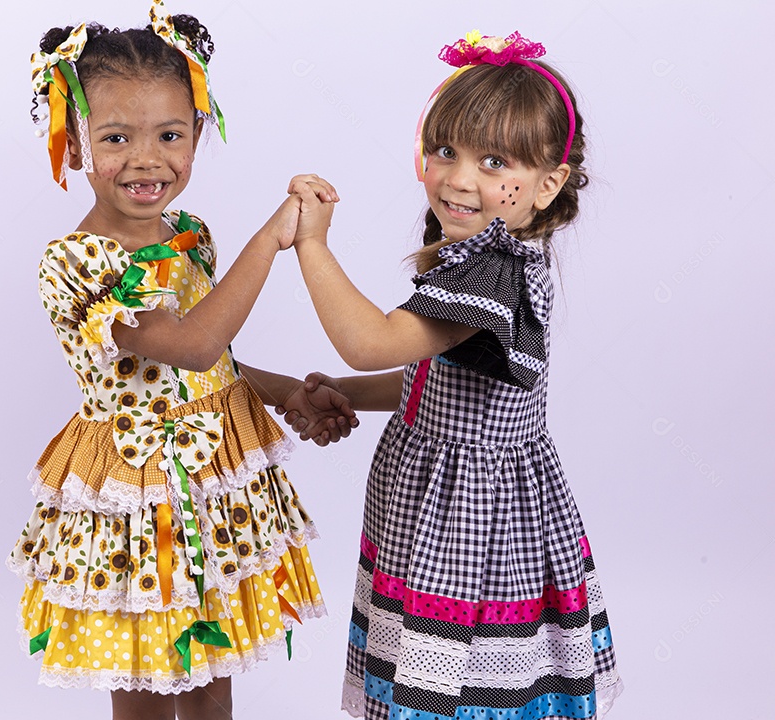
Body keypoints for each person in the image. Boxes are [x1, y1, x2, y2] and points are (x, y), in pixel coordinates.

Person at [6, 3, 353, 718]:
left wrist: (290, 391)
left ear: (198, 132)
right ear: (74, 144)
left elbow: (212, 358)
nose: (146, 158)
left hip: (209, 477)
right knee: (140, 678)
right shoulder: (77, 263)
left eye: (170, 134)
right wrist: (272, 240)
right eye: (115, 137)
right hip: (136, 495)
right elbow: (185, 342)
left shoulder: (190, 235)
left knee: (209, 671)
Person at [278, 31, 624, 720]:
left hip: (473, 523)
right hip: (430, 502)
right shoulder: (478, 260)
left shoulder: (494, 274)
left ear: (548, 183)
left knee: (457, 690)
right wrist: (346, 397)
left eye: (494, 162)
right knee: (424, 679)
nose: (458, 178)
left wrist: (312, 245)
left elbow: (368, 341)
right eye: (445, 151)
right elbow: (436, 386)